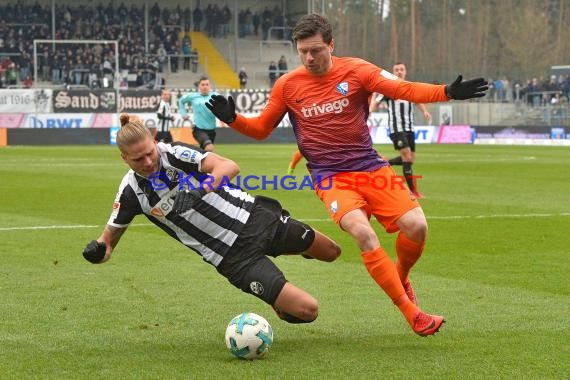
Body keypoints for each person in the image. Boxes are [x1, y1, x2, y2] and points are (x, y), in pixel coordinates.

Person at [204, 13, 488, 336]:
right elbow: (260, 129)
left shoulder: (357, 71)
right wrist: (234, 119)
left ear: (331, 45)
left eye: (316, 50)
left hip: (370, 166)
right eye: (303, 52)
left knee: (417, 227)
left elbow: (402, 88)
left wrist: (446, 92)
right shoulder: (287, 86)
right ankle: (413, 314)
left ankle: (402, 276)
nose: (309, 58)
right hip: (330, 177)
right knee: (363, 233)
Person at [82, 114, 341, 324]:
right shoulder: (130, 193)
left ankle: (295, 249)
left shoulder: (173, 153)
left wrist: (199, 191)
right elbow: (107, 243)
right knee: (308, 311)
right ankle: (279, 303)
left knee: (332, 252)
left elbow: (229, 166)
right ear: (123, 158)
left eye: (150, 152)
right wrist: (97, 251)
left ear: (154, 141)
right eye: (138, 159)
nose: (149, 161)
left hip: (255, 218)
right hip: (232, 257)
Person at [369, 62, 432, 199]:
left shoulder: (409, 87)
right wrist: (369, 111)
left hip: (410, 128)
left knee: (410, 159)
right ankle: (413, 191)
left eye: (401, 69)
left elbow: (417, 100)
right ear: (393, 72)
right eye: (396, 70)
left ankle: (384, 163)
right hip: (396, 129)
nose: (399, 72)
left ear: (405, 71)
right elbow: (376, 101)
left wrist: (425, 111)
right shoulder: (389, 88)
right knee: (407, 157)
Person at [178, 76, 219, 151]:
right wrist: (183, 113)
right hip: (199, 130)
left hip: (212, 131)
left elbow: (225, 106)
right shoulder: (193, 96)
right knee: (209, 147)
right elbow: (181, 101)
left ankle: (196, 161)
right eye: (203, 85)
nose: (205, 87)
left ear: (210, 86)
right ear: (199, 86)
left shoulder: (216, 96)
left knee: (205, 153)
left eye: (207, 84)